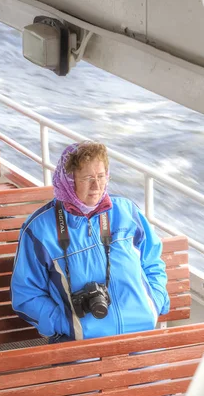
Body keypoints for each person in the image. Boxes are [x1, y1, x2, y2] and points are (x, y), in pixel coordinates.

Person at [11, 141, 170, 343]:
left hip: (142, 336)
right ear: (69, 181)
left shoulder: (126, 211)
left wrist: (153, 304)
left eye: (101, 177)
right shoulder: (39, 230)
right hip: (82, 347)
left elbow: (153, 262)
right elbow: (26, 295)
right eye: (87, 178)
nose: (96, 186)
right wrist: (68, 324)